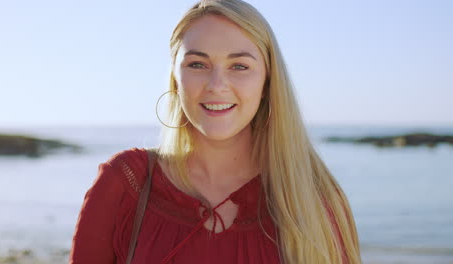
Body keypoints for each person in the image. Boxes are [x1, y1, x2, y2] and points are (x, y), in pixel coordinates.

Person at [69, 0, 361, 263]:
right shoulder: (125, 183)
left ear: (267, 82)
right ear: (175, 77)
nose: (216, 84)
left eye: (239, 66)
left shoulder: (314, 197)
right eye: (197, 64)